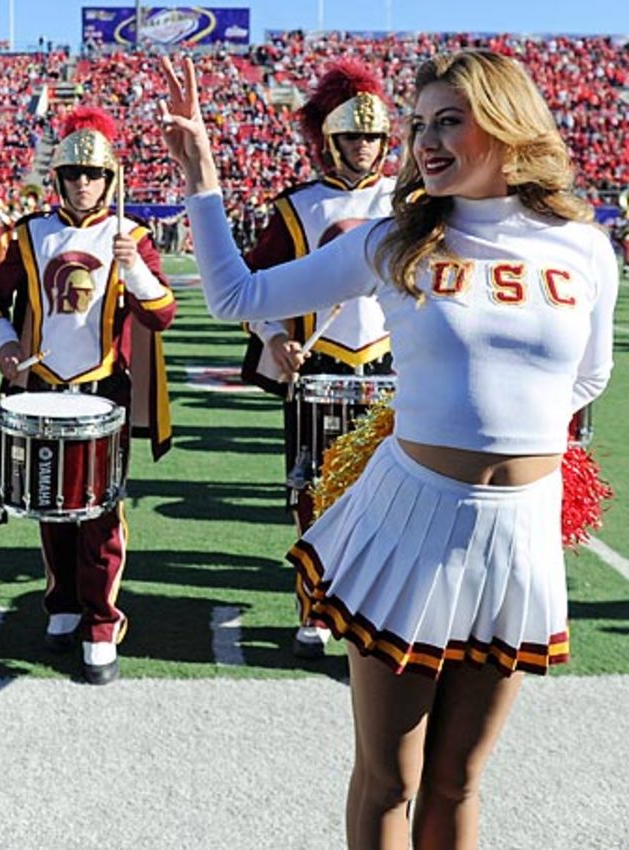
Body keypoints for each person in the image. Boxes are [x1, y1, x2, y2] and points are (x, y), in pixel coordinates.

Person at [161, 50, 617, 849]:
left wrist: (503, 444)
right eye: (418, 125)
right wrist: (202, 180)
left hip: (521, 538)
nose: (425, 142)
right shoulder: (389, 243)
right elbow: (240, 296)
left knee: (460, 781)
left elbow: (587, 379)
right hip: (412, 527)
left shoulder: (583, 249)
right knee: (390, 778)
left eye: (449, 121)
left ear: (507, 124)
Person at [0, 106, 176, 685]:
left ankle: (100, 621)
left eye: (93, 175)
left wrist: (134, 269)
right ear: (58, 179)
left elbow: (162, 314)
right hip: (43, 387)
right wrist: (6, 345)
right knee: (50, 504)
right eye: (72, 175)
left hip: (102, 389)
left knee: (99, 510)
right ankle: (61, 601)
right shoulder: (30, 232)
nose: (83, 184)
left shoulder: (131, 236)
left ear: (110, 181)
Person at [239, 59, 396, 659]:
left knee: (388, 496)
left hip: (391, 368)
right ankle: (316, 605)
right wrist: (274, 335)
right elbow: (252, 287)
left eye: (373, 136)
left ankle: (373, 606)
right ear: (329, 139)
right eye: (353, 136)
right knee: (312, 493)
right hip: (319, 368)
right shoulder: (295, 207)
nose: (364, 147)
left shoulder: (412, 199)